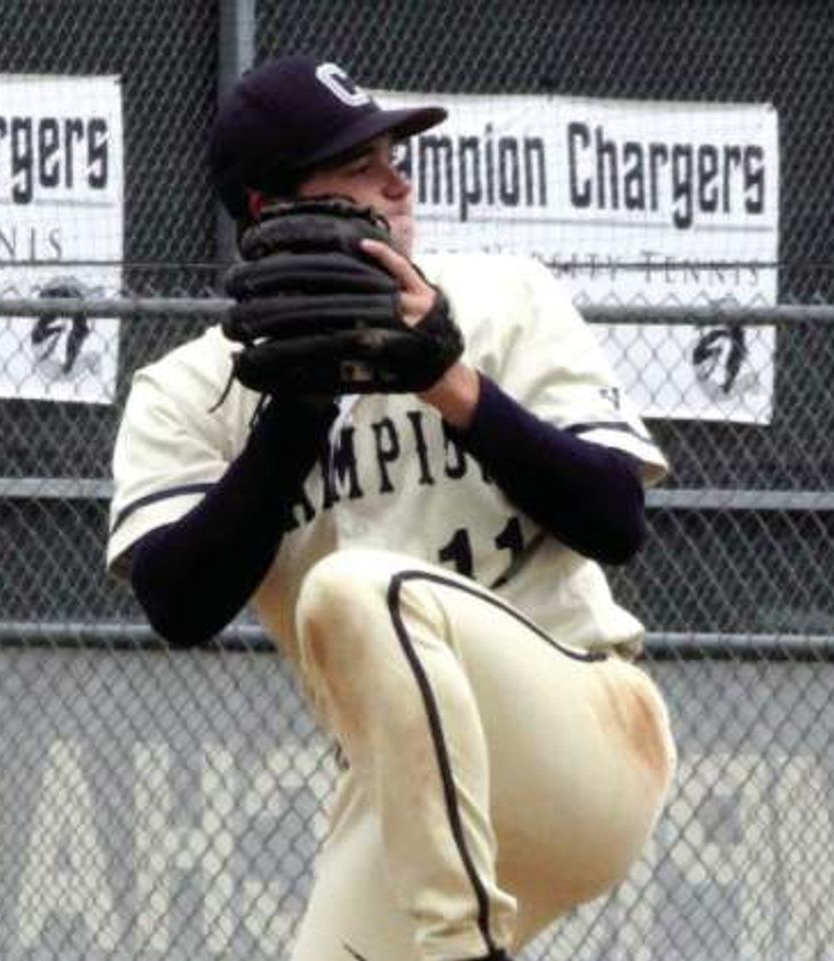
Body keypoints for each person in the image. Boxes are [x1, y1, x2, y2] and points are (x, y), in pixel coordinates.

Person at [107, 55, 676, 961]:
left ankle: (457, 949)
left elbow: (616, 520)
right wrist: (298, 410)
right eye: (358, 164)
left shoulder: (503, 299)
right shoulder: (192, 390)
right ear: (274, 210)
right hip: (401, 794)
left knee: (357, 591)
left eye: (390, 153)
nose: (397, 179)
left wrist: (449, 383)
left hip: (580, 731)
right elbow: (179, 605)